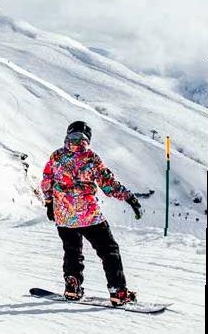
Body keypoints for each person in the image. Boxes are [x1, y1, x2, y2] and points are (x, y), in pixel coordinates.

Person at [42, 120, 142, 305]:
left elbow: (47, 180)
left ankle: (72, 286)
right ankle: (118, 291)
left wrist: (49, 203)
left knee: (72, 250)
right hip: (88, 214)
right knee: (109, 250)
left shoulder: (56, 156)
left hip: (63, 215)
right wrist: (129, 198)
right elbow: (108, 184)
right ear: (88, 137)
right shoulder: (90, 158)